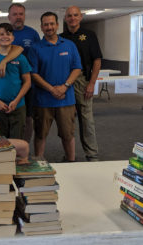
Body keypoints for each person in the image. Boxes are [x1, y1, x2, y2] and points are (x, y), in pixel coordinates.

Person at [28, 12, 82, 162]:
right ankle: (39, 163)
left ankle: (71, 161)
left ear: (57, 25)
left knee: (68, 134)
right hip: (42, 101)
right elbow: (33, 73)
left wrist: (64, 86)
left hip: (66, 100)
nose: (49, 27)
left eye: (52, 24)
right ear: (41, 27)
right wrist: (52, 89)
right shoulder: (35, 47)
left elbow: (77, 68)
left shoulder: (69, 45)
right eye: (46, 24)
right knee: (40, 134)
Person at [60, 6, 102, 161]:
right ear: (65, 18)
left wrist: (91, 83)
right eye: (69, 15)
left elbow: (97, 60)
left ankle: (92, 155)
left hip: (82, 81)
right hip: (64, 82)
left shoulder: (89, 35)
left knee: (86, 120)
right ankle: (69, 155)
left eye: (75, 15)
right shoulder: (61, 37)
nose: (72, 18)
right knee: (66, 120)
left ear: (81, 17)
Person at [0, 23, 31, 140]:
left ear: (13, 38)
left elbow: (27, 82)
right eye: (1, 34)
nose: (5, 36)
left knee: (17, 140)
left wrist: (16, 100)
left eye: (8, 34)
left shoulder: (21, 58)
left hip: (17, 106)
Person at [8, 3, 41, 143]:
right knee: (8, 116)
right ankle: (7, 148)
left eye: (21, 14)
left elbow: (39, 56)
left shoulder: (32, 34)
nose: (18, 17)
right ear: (9, 17)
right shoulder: (5, 33)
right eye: (15, 14)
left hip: (28, 85)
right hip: (9, 84)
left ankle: (24, 148)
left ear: (25, 15)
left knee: (28, 118)